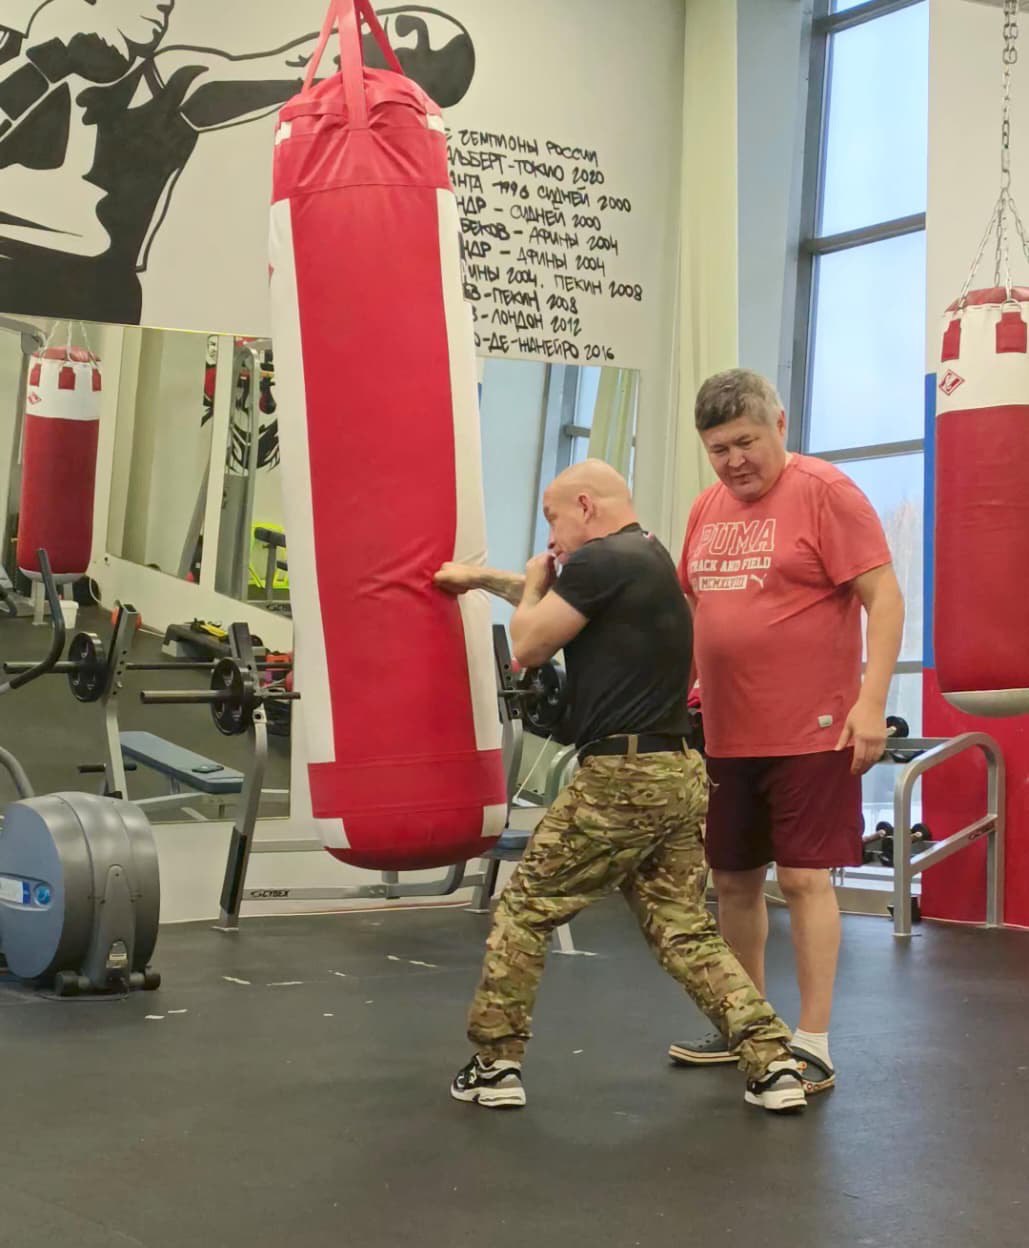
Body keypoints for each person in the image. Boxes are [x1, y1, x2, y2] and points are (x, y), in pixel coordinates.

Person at [435, 459, 807, 1114]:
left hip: (621, 779)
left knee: (524, 910)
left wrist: (523, 582)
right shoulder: (646, 558)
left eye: (552, 518)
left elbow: (526, 644)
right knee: (681, 926)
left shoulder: (601, 561)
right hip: (679, 773)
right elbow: (558, 606)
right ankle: (771, 1061)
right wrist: (478, 580)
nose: (550, 537)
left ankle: (494, 1065)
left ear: (584, 505)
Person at [669, 369, 904, 1094]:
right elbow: (694, 610)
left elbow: (883, 597)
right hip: (727, 732)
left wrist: (870, 704)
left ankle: (812, 1041)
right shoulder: (705, 507)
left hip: (813, 727)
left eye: (744, 441)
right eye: (717, 449)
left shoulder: (824, 492)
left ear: (777, 423)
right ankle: (749, 1026)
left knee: (802, 878)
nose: (733, 460)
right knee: (732, 882)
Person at [0, 2, 475, 324]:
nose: (160, 11)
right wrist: (44, 61)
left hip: (101, 291)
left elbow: (294, 67)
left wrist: (380, 40)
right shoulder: (14, 49)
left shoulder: (170, 82)